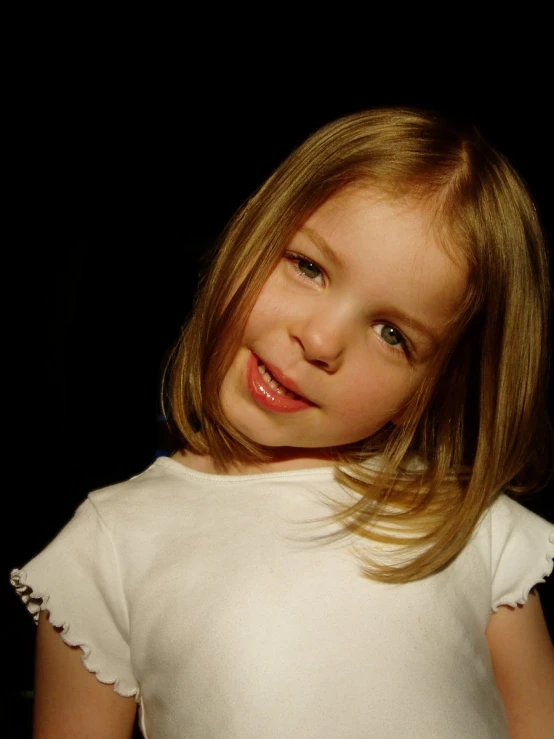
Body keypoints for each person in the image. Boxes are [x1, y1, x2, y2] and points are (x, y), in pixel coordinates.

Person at [11, 107, 554, 738]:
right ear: (248, 237)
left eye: (391, 333)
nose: (321, 338)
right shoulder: (107, 548)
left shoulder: (463, 522)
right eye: (309, 267)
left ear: (425, 393)